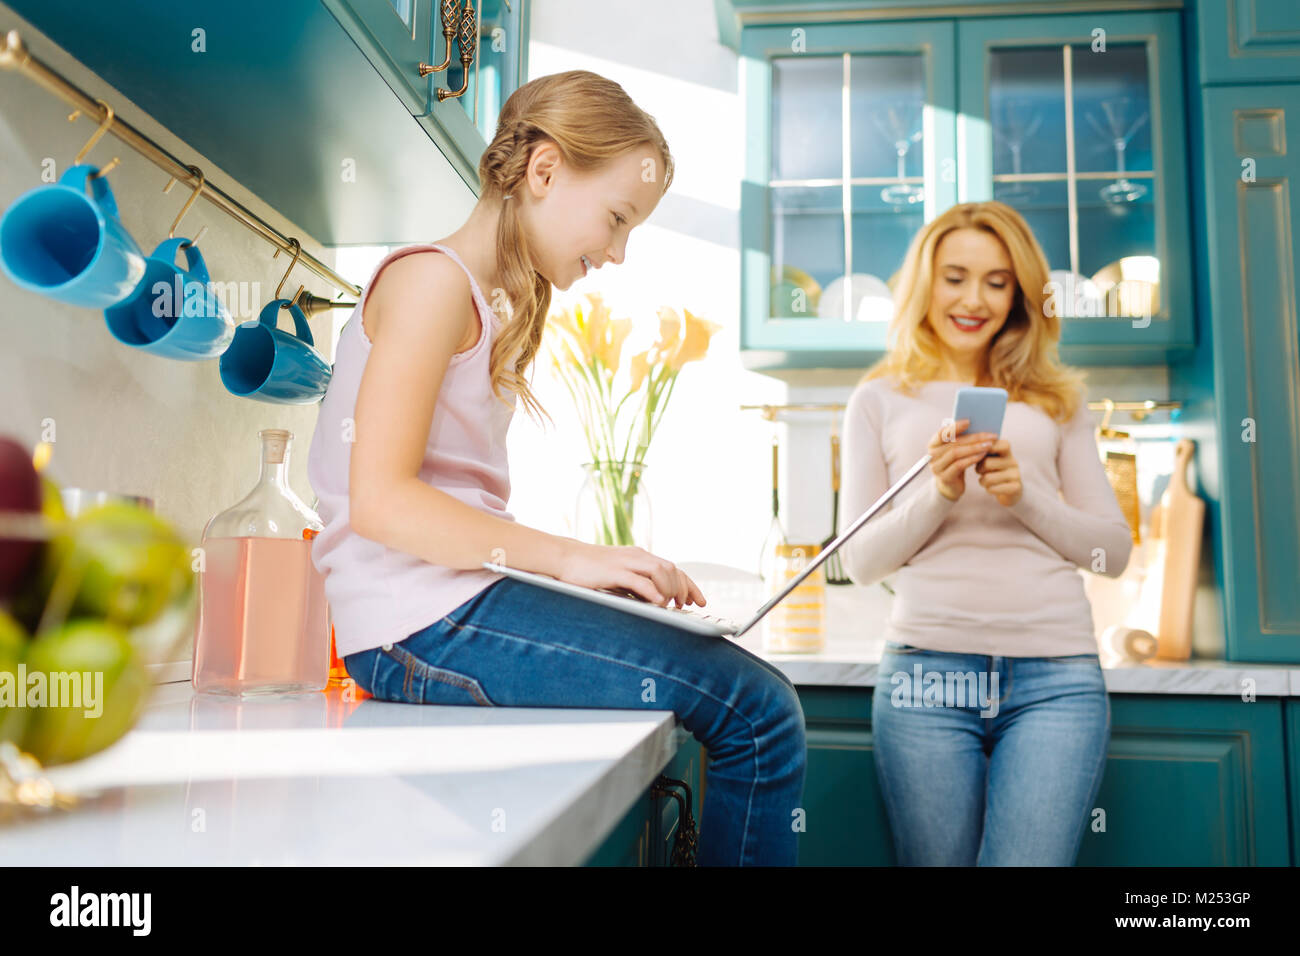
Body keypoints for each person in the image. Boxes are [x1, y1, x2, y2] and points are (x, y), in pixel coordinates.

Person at [306, 70, 806, 866]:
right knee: (758, 713)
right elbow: (382, 502)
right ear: (543, 171)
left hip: (442, 613)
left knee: (755, 704)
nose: (617, 251)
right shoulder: (430, 283)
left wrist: (575, 577)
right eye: (617, 218)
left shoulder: (478, 296)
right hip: (418, 624)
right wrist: (578, 559)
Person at [837, 200, 1132, 866]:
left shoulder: (1058, 399)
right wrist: (939, 494)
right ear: (924, 283)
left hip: (1055, 680)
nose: (975, 299)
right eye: (955, 277)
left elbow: (1110, 554)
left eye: (998, 282)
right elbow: (858, 562)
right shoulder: (879, 398)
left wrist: (1025, 497)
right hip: (924, 677)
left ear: (1021, 295)